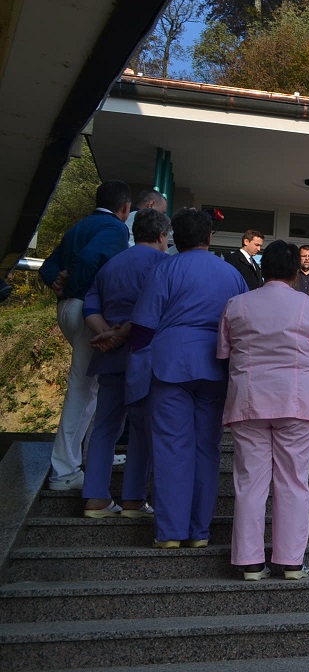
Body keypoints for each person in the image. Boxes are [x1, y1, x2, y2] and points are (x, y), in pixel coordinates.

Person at [129, 208, 248, 548]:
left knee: (171, 446)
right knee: (207, 448)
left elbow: (143, 328)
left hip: (171, 364)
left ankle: (170, 532)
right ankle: (199, 531)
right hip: (217, 366)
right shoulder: (232, 274)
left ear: (174, 239)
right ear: (209, 237)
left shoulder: (165, 269)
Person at [218, 240, 309, 581]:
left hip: (249, 400)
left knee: (249, 483)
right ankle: (291, 562)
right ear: (295, 272)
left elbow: (223, 353)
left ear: (263, 270)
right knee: (294, 482)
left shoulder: (237, 304)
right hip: (297, 403)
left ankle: (250, 563)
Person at [39, 179, 131, 491]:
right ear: (125, 207)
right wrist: (78, 285)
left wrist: (57, 280)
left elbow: (48, 265)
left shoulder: (79, 226)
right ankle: (64, 470)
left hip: (67, 307)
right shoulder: (116, 228)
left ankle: (92, 455)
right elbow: (92, 258)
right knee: (82, 389)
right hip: (85, 309)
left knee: (90, 388)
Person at [81, 208, 170, 518]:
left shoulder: (112, 264)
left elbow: (90, 306)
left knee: (105, 427)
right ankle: (133, 499)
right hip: (144, 355)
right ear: (161, 235)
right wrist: (121, 335)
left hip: (108, 355)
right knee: (143, 429)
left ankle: (95, 497)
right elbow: (153, 311)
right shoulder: (163, 265)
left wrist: (107, 334)